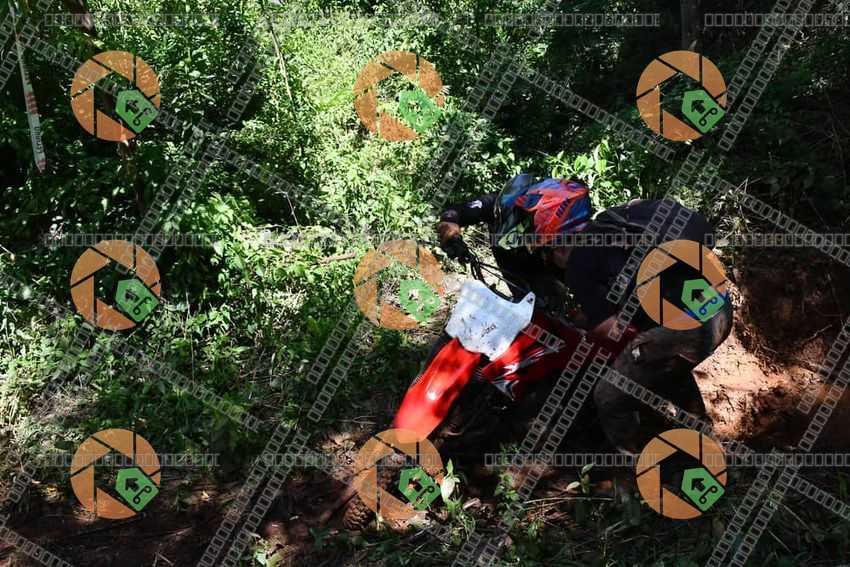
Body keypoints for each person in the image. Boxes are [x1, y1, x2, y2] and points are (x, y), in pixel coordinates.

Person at [437, 173, 733, 455]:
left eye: (545, 250)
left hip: (689, 328)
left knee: (609, 394)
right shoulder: (611, 225)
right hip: (717, 307)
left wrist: (583, 329)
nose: (545, 257)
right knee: (660, 361)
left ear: (556, 241)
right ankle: (702, 435)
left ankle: (637, 467)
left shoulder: (579, 263)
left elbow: (612, 331)